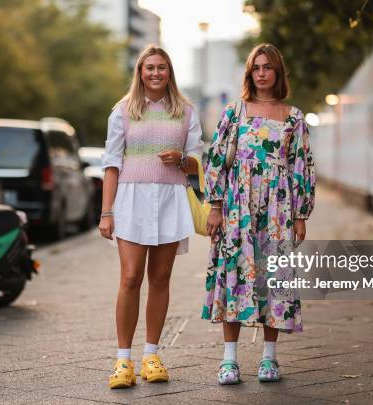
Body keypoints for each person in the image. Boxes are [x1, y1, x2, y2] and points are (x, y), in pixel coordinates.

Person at [202, 43, 316, 385]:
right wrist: (216, 206)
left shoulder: (294, 117)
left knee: (275, 280)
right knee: (234, 273)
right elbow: (217, 160)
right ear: (249, 73)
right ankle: (229, 360)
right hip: (238, 207)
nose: (262, 73)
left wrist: (300, 215)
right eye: (256, 67)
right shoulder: (233, 113)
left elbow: (302, 167)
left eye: (268, 67)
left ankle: (269, 359)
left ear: (278, 73)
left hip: (278, 209)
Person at [99, 45, 203, 389]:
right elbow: (112, 164)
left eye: (161, 67)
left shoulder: (186, 111)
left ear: (169, 72)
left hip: (170, 198)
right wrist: (106, 212)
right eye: (149, 68)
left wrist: (182, 158)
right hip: (131, 199)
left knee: (161, 279)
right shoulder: (124, 110)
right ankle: (123, 360)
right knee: (130, 278)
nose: (156, 73)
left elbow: (199, 163)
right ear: (140, 73)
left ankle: (152, 355)